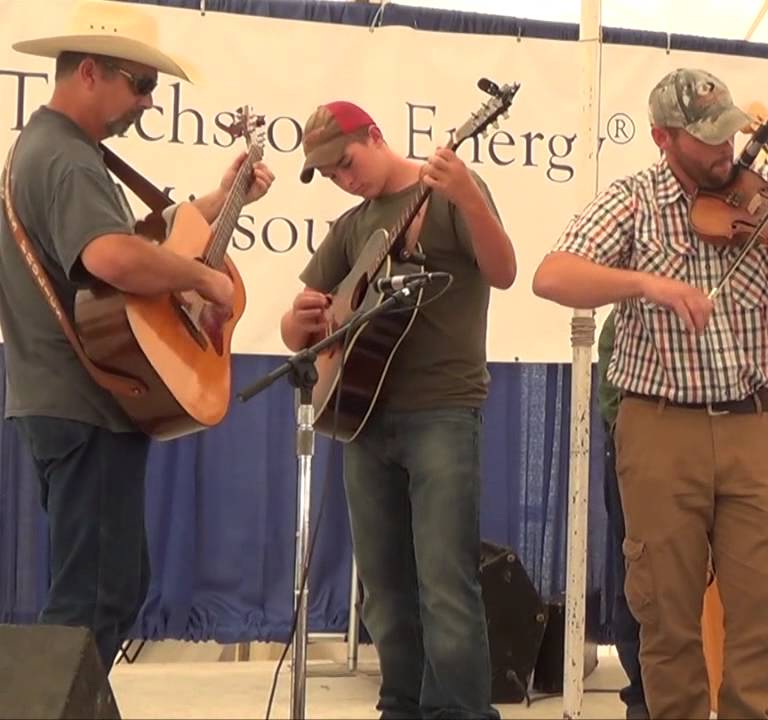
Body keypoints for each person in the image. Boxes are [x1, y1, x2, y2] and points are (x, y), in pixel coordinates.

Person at [532, 68, 768, 719]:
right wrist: (646, 284)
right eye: (707, 140)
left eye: (729, 135)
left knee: (765, 609)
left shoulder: (764, 201)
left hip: (753, 424)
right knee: (666, 614)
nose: (726, 152)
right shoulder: (633, 201)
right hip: (660, 428)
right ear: (664, 138)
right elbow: (552, 277)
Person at [0, 1, 274, 675]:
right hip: (85, 398)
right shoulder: (65, 158)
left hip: (74, 399)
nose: (148, 103)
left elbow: (144, 241)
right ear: (89, 71)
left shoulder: (58, 151)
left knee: (103, 588)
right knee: (94, 599)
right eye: (140, 84)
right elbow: (112, 258)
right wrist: (201, 281)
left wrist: (220, 201)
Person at [279, 100, 515, 720]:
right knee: (384, 589)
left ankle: (461, 711)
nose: (343, 179)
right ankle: (401, 705)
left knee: (445, 584)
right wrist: (298, 319)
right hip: (362, 417)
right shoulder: (354, 225)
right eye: (329, 175)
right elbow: (299, 328)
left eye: (346, 163)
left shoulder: (447, 192)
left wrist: (469, 198)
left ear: (376, 137)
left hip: (442, 408)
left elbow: (505, 270)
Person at [596, 308, 648, 720]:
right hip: (639, 454)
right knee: (637, 571)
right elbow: (615, 412)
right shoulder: (623, 324)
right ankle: (643, 697)